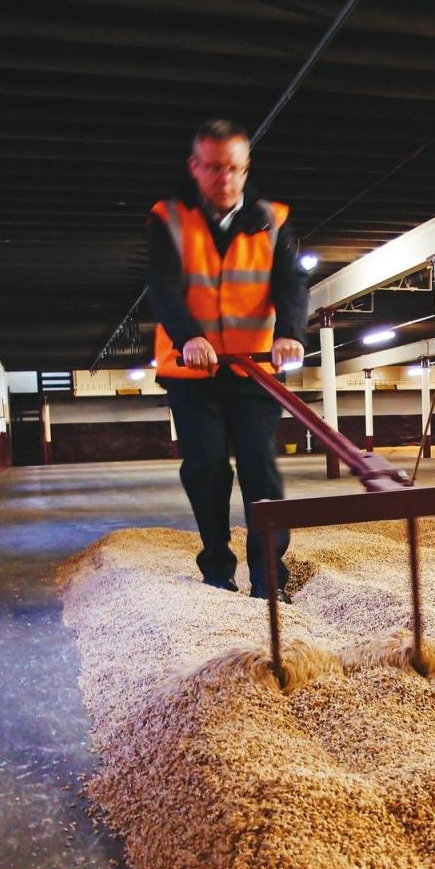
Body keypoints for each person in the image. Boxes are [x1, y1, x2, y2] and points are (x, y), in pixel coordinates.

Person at [148, 119, 308, 597]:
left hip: (254, 368)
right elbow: (163, 287)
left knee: (261, 466)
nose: (225, 179)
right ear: (195, 167)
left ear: (246, 168)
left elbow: (291, 281)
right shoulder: (169, 218)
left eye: (234, 169)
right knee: (206, 467)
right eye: (214, 168)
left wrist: (290, 335)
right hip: (192, 371)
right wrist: (189, 337)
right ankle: (217, 568)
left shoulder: (272, 218)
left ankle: (268, 578)